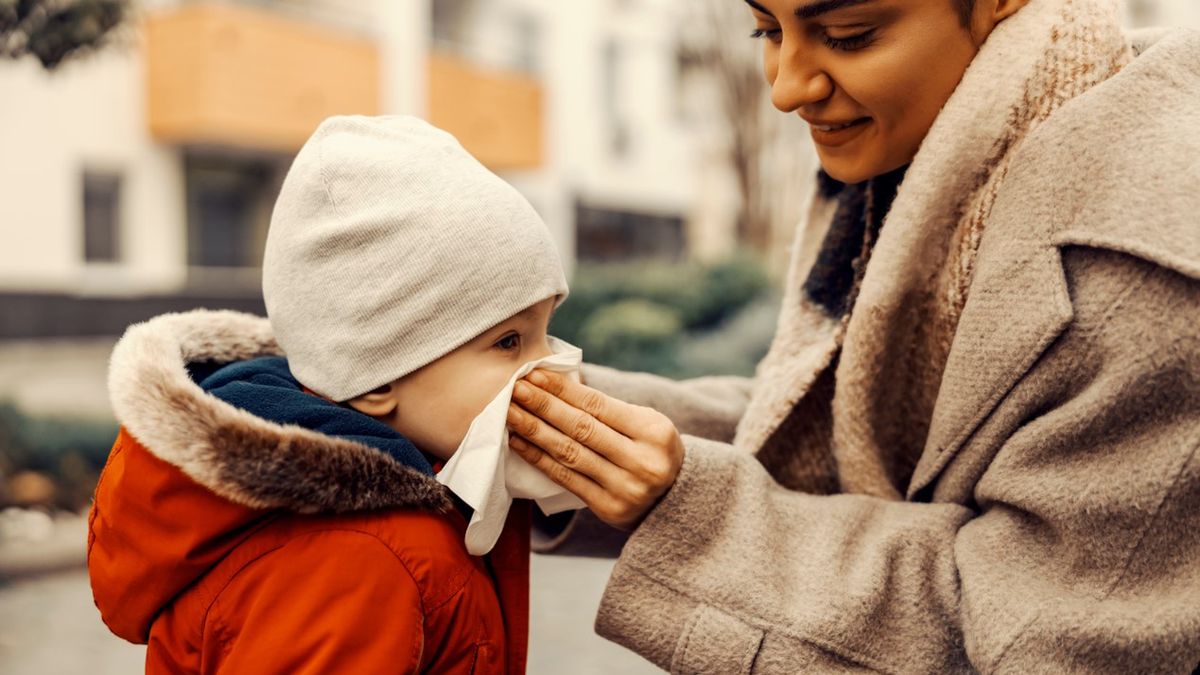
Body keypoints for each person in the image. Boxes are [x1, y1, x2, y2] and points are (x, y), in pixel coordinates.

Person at [506, 0, 1200, 671]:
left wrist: (698, 514)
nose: (786, 89)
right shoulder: (923, 141)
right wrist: (536, 402)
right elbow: (829, 415)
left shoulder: (1140, 256)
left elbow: (1037, 636)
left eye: (848, 33)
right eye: (766, 31)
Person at [87, 115, 572, 673]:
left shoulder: (437, 477)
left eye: (546, 329)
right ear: (379, 379)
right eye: (509, 341)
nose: (550, 364)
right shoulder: (360, 560)